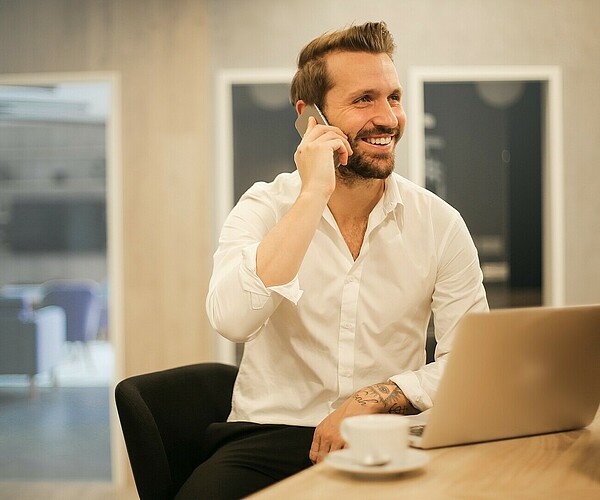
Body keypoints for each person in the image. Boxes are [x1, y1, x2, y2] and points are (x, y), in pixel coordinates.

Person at [181, 21, 488, 499]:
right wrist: (313, 194)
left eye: (394, 97)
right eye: (364, 99)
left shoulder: (440, 224)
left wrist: (373, 399)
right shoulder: (264, 207)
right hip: (270, 435)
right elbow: (233, 321)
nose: (388, 118)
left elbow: (469, 362)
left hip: (391, 436)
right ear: (311, 119)